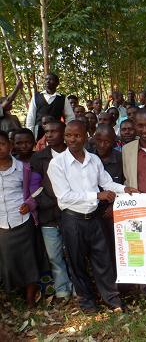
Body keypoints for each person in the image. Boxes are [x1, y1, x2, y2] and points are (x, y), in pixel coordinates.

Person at [48, 120, 138, 313]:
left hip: (94, 219)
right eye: (69, 135)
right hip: (72, 220)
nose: (72, 139)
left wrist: (125, 189)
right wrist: (97, 195)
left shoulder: (93, 160)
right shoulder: (57, 164)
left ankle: (112, 300)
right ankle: (87, 302)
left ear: (86, 136)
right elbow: (64, 197)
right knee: (77, 264)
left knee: (103, 260)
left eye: (77, 135)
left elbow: (106, 182)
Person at [30, 121, 73, 303]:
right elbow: (33, 187)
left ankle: (79, 286)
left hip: (72, 213)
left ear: (64, 133)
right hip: (48, 215)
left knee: (73, 253)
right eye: (46, 132)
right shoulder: (39, 158)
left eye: (54, 131)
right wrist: (53, 201)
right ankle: (62, 290)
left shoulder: (74, 154)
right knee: (54, 255)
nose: (49, 135)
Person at [0, 130, 42, 308]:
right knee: (8, 262)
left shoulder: (23, 169)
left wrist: (30, 204)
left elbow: (37, 191)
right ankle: (13, 293)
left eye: (2, 144)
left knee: (28, 261)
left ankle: (30, 298)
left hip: (22, 220)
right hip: (2, 224)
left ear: (10, 146)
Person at [93, 125, 124, 270]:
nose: (102, 145)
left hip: (115, 212)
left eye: (107, 141)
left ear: (114, 142)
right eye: (99, 140)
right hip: (91, 212)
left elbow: (126, 185)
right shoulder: (87, 157)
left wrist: (114, 207)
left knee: (116, 247)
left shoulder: (121, 159)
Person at [26, 73, 74, 139]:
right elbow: (31, 117)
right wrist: (31, 135)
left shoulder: (62, 98)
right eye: (46, 79)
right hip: (39, 133)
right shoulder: (36, 96)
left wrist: (66, 132)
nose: (47, 81)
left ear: (57, 83)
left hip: (56, 133)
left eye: (51, 79)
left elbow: (70, 117)